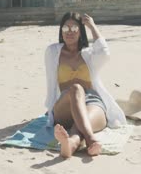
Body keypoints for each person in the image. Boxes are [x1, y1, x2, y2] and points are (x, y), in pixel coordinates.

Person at [44, 12, 126, 158]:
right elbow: (50, 84)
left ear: (81, 32)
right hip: (65, 103)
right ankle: (91, 139)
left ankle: (71, 144)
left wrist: (92, 26)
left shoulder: (89, 54)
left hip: (92, 102)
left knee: (80, 123)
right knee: (76, 88)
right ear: (60, 31)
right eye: (65, 28)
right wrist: (50, 109)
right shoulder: (53, 52)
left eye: (75, 29)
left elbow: (105, 53)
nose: (70, 32)